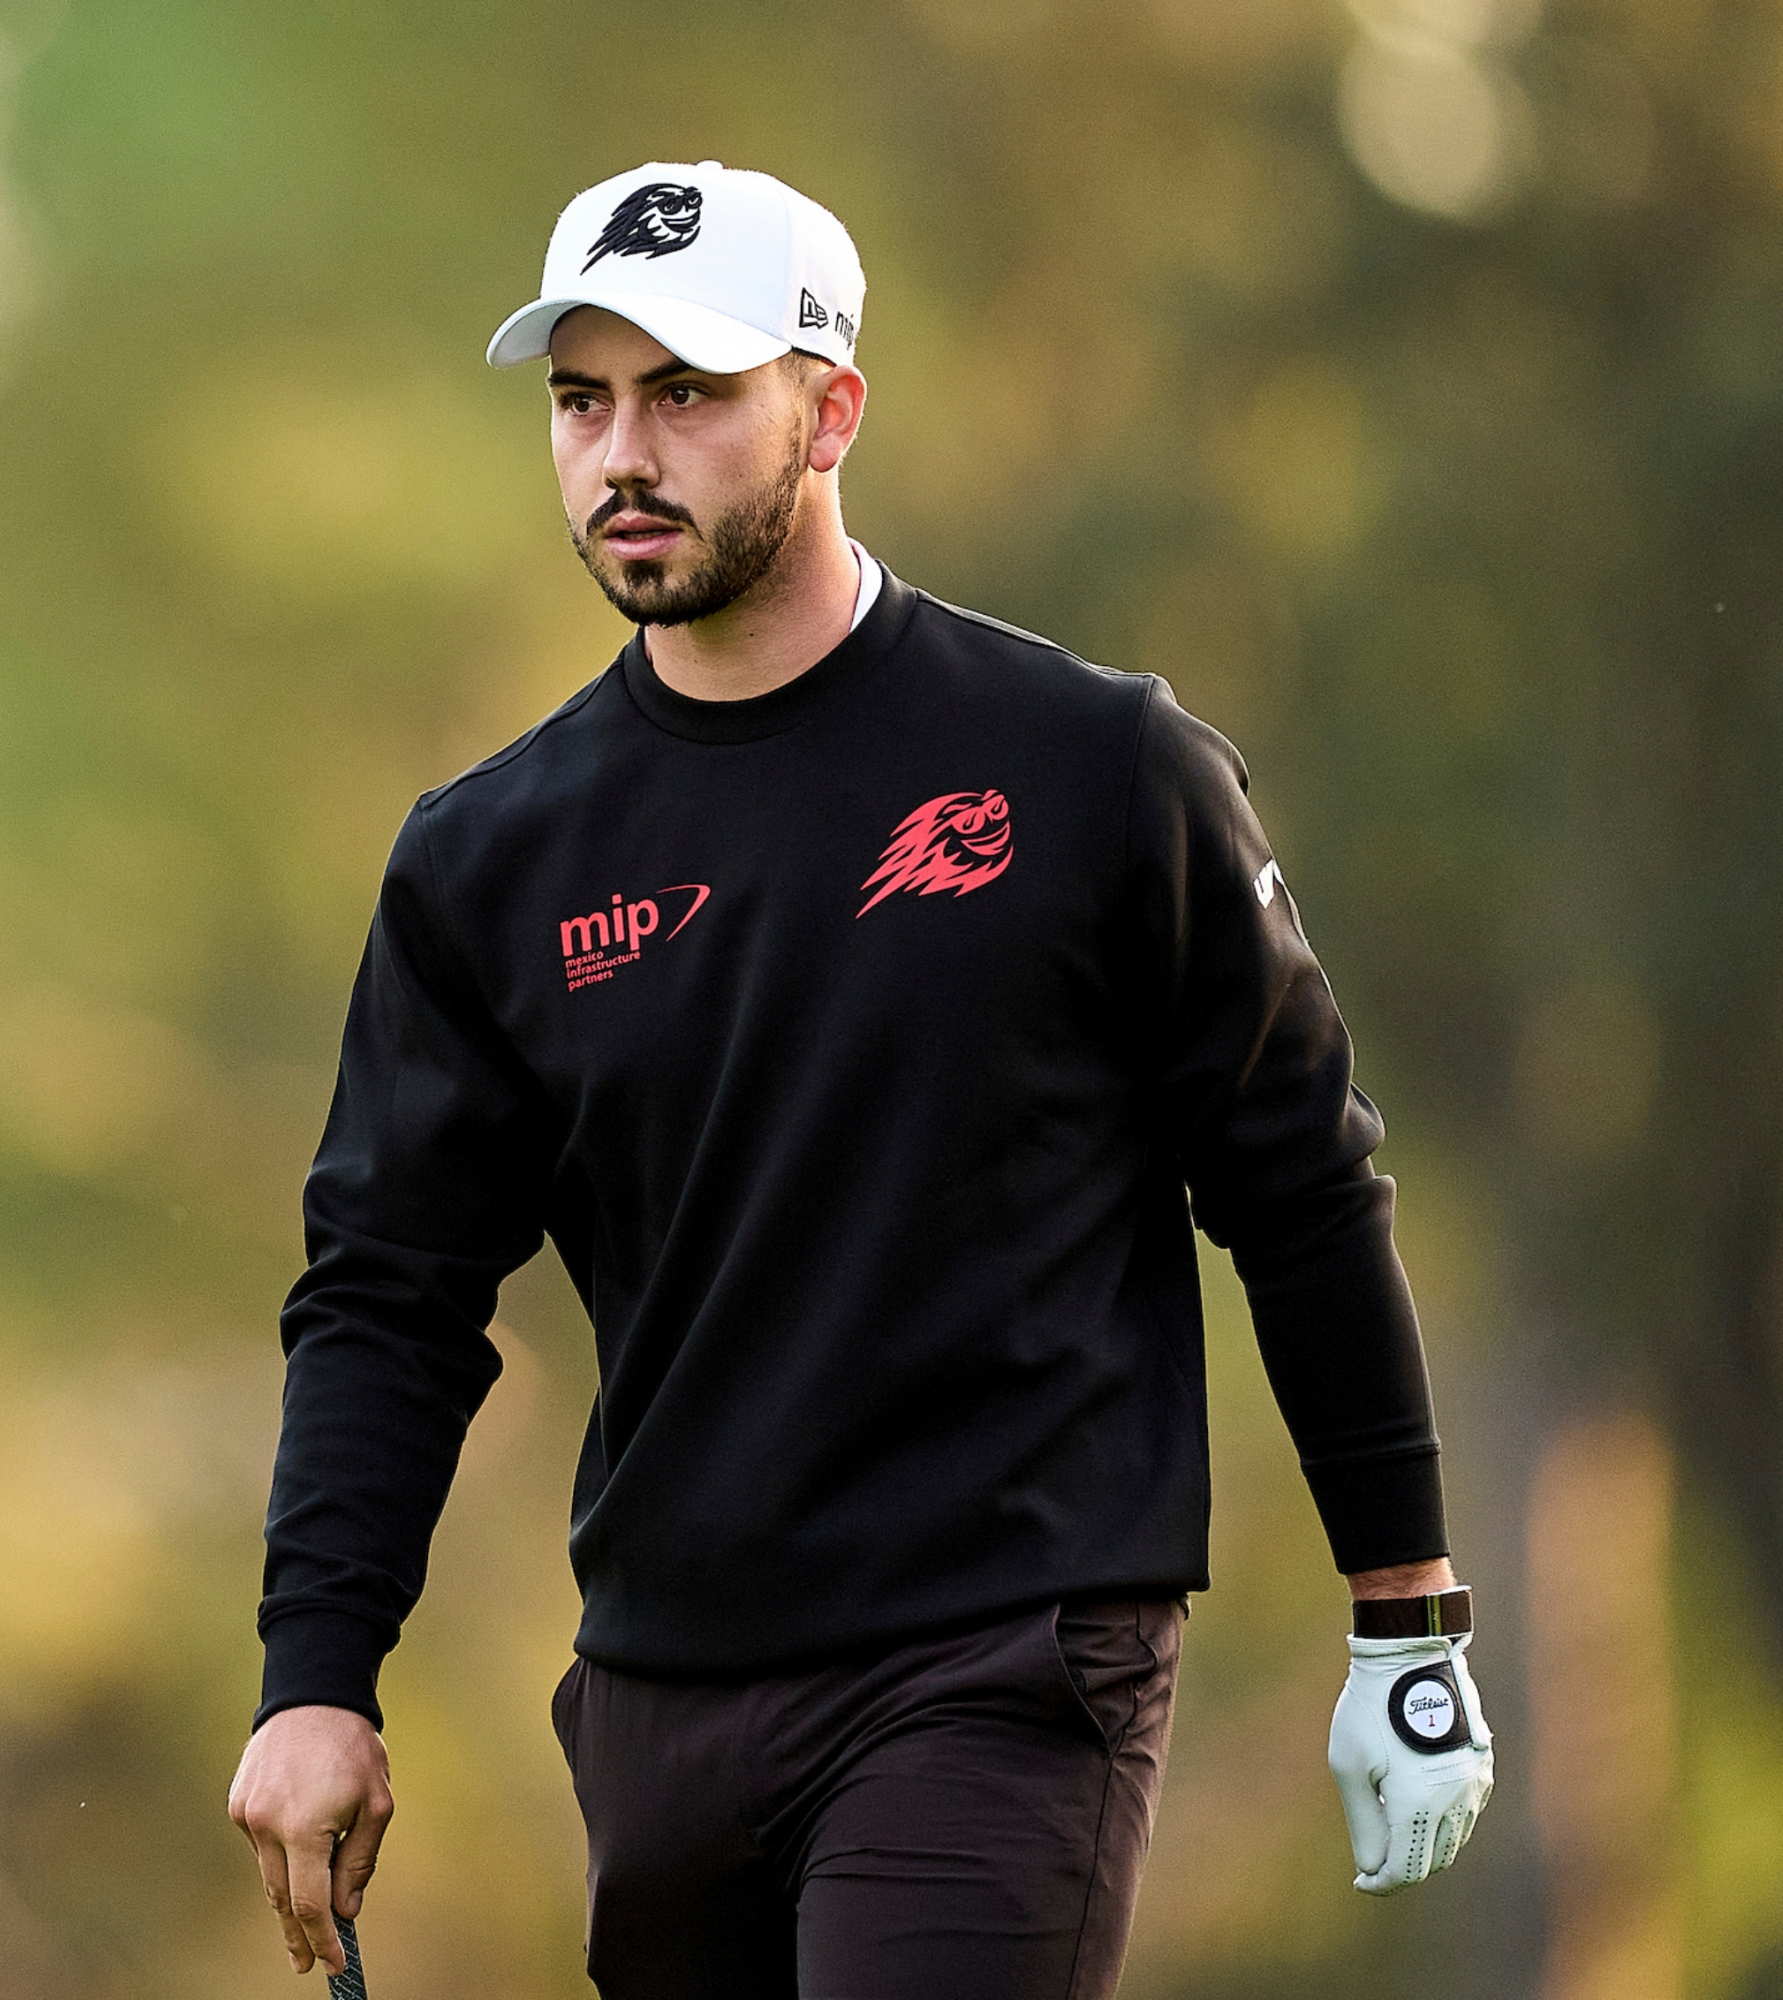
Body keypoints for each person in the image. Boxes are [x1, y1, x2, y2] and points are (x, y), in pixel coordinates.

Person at [224, 160, 1496, 2000]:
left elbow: (1299, 1185)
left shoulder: (1092, 769)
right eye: (582, 399)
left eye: (688, 393)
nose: (620, 454)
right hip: (665, 1700)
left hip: (1004, 1662)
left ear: (831, 412)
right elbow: (387, 1300)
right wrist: (315, 1677)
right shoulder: (490, 859)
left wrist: (1406, 1614)